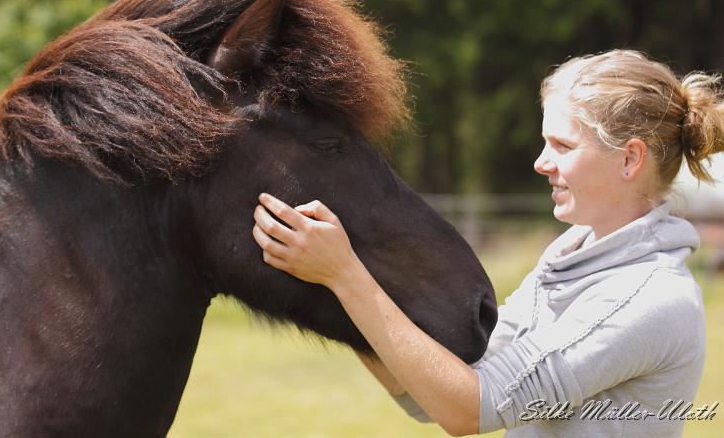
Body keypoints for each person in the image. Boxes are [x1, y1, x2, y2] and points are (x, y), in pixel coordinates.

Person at [251, 50, 723, 437]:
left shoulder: (646, 298)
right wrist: (334, 281)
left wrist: (345, 275)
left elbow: (472, 408)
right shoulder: (566, 262)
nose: (541, 162)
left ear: (630, 159)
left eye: (562, 145)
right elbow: (434, 392)